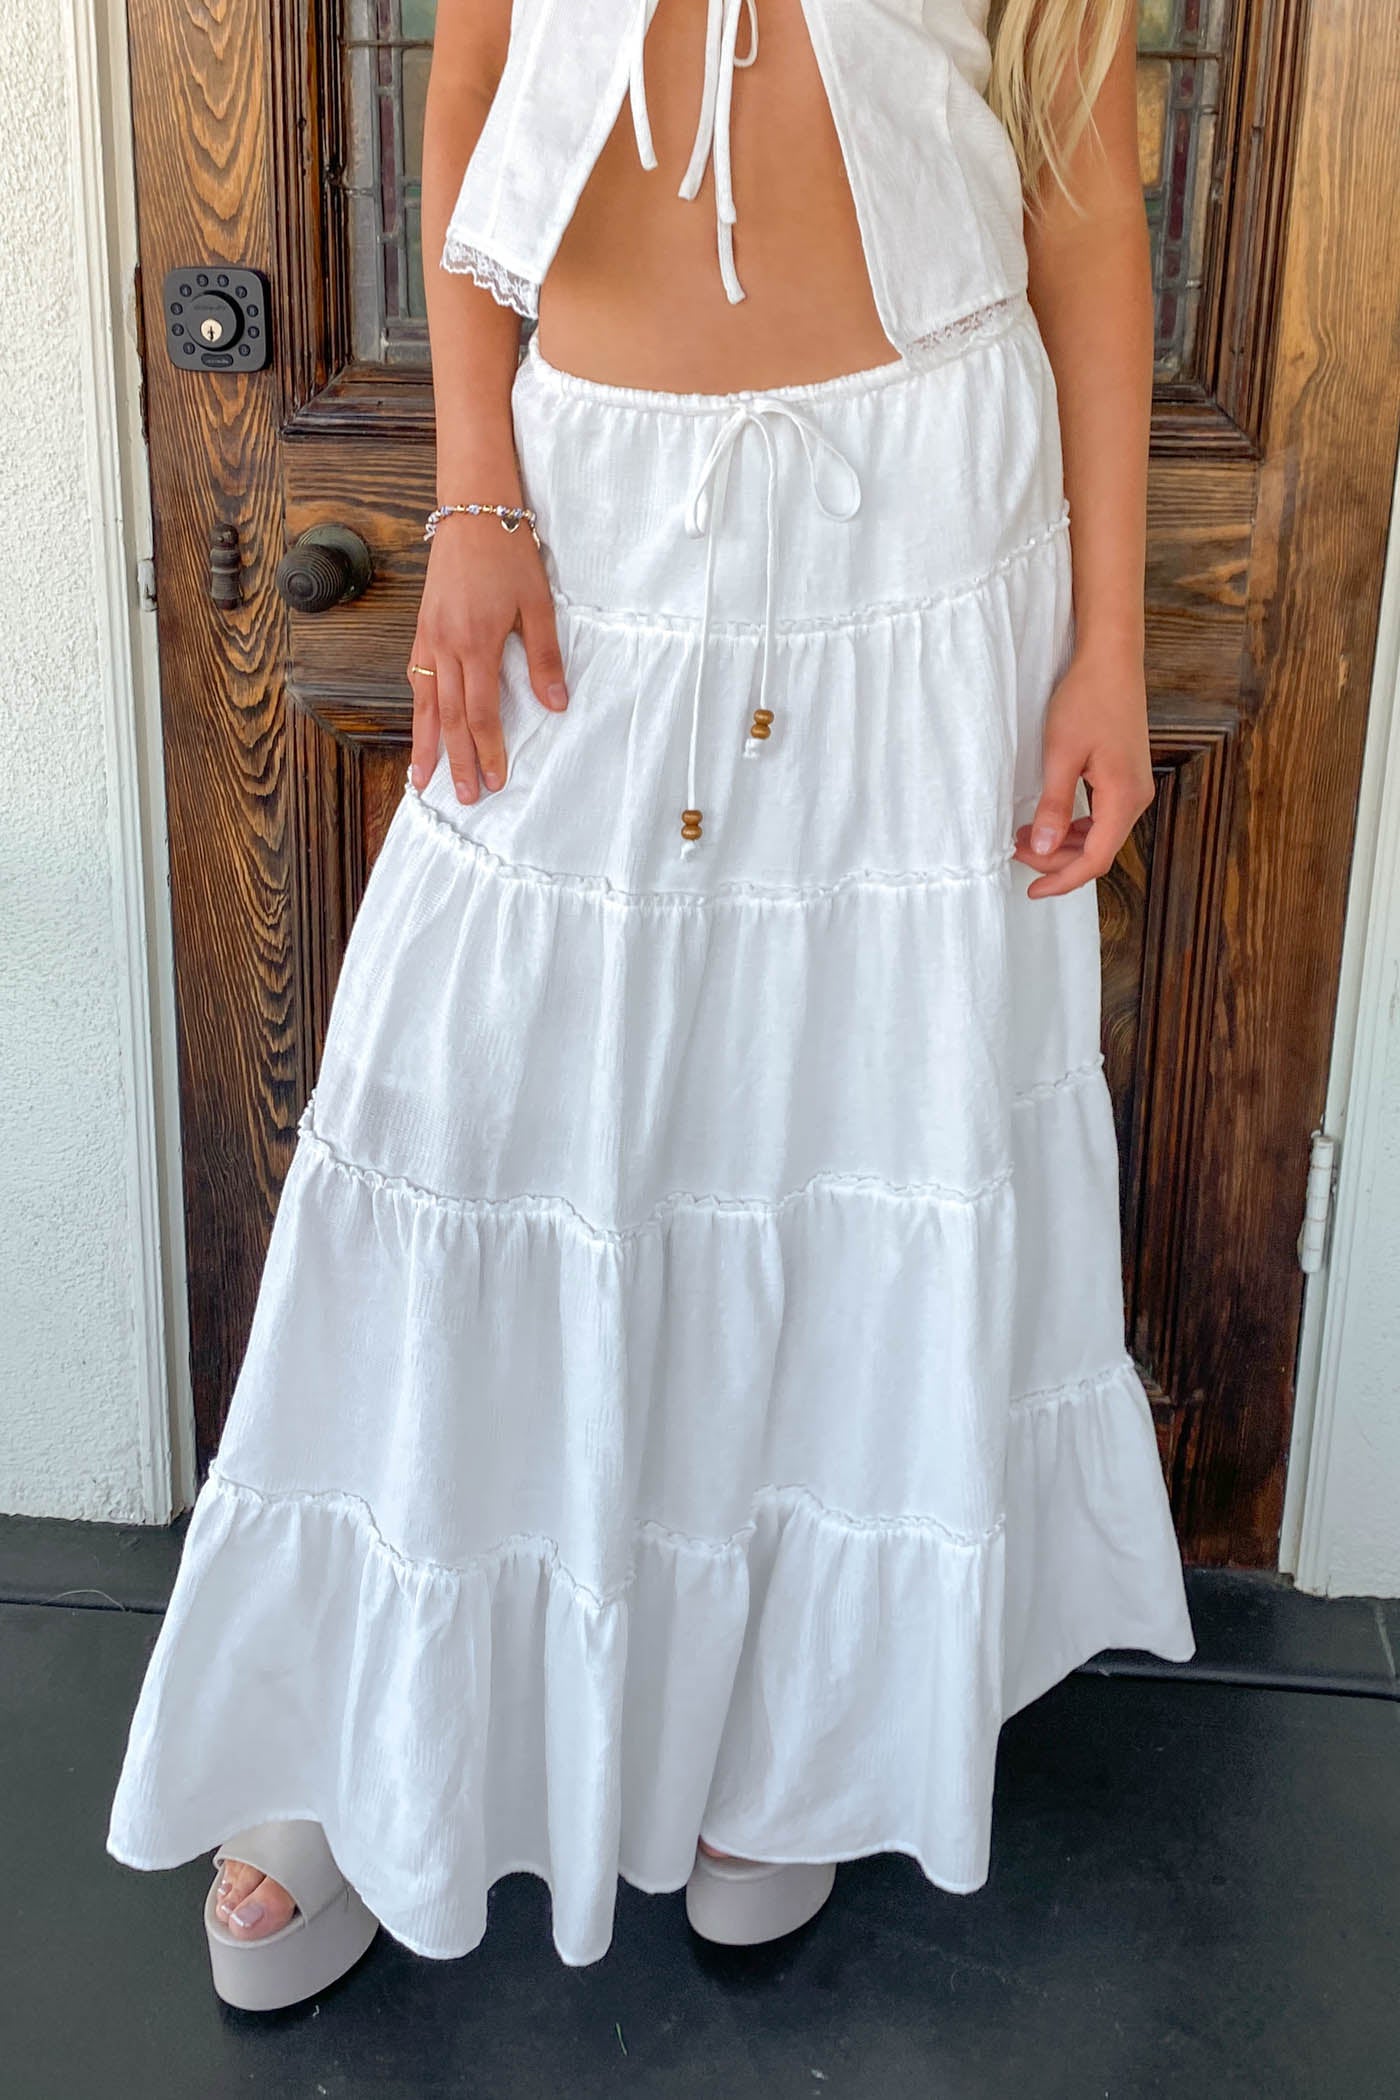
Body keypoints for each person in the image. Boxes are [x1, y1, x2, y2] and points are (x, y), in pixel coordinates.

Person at [107, 0, 1197, 2009]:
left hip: (932, 533)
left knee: (851, 1117)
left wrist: (1107, 646)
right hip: (585, 509)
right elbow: (465, 91)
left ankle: (791, 1724)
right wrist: (474, 492)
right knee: (471, 1111)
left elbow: (1076, 192)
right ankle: (354, 1749)